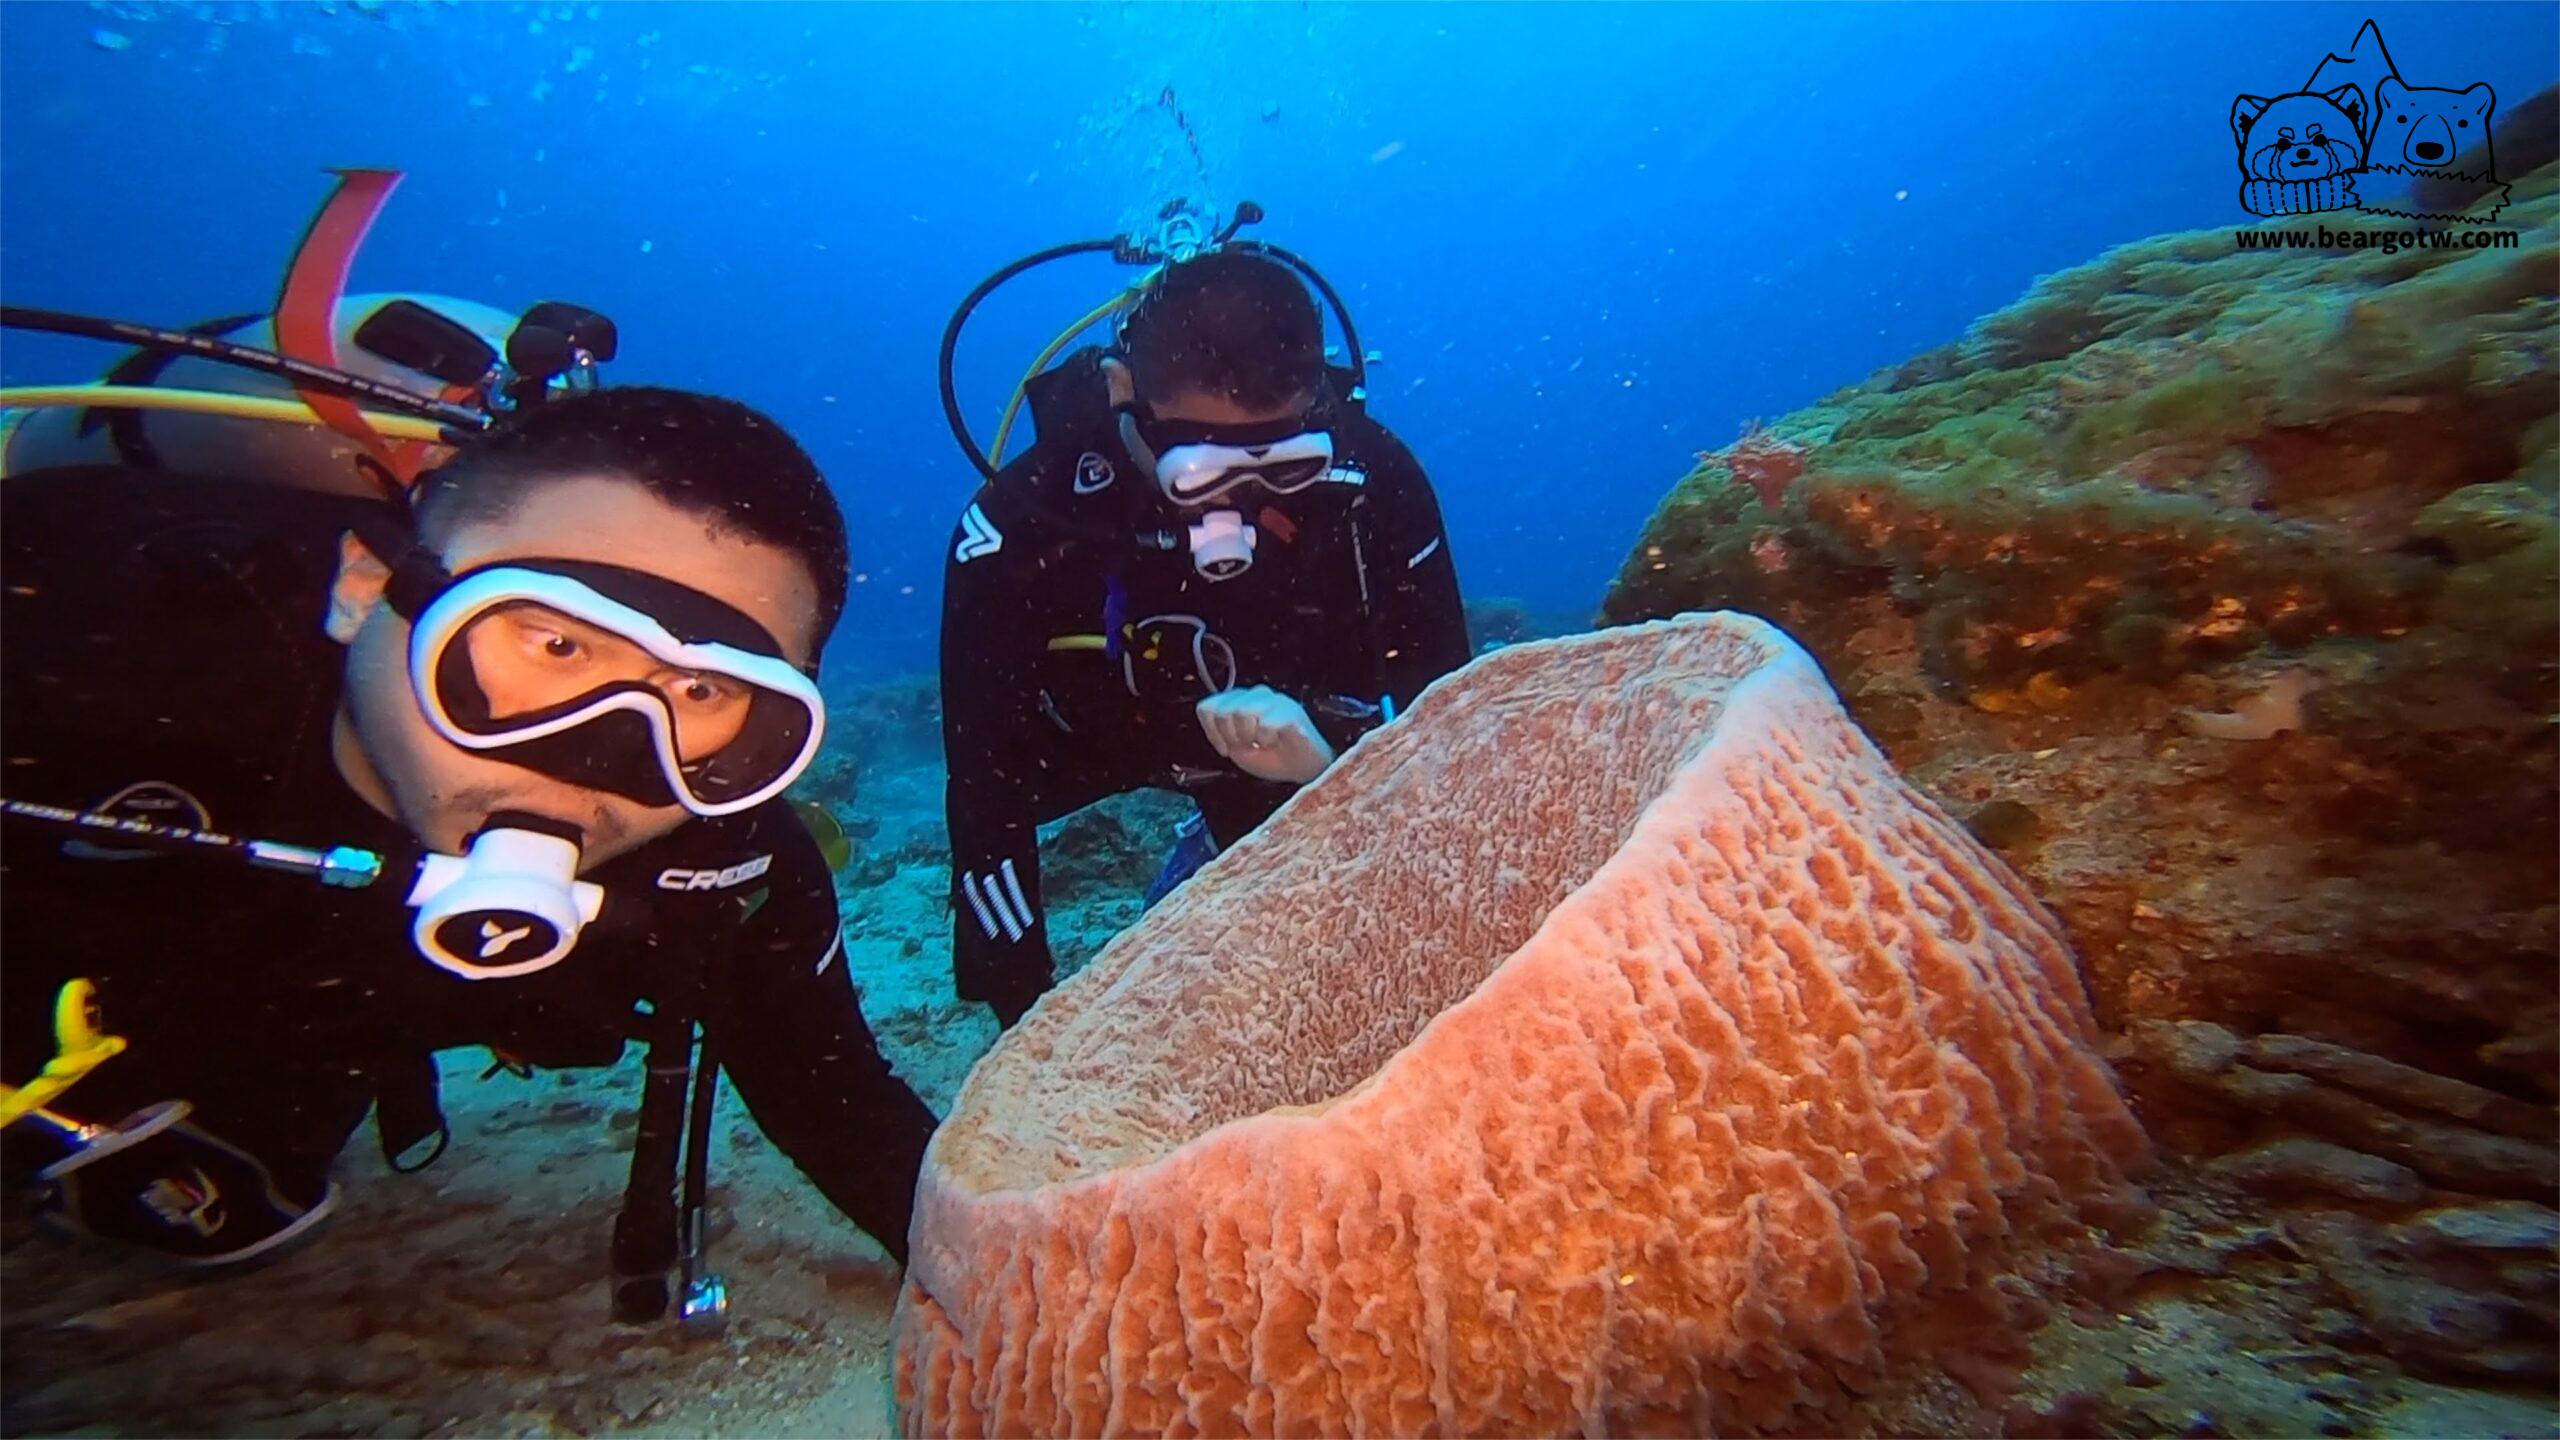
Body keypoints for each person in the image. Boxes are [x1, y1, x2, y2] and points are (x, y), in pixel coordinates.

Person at [0, 381, 935, 1300]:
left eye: (700, 695)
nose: (595, 758)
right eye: (555, 647)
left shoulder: (724, 864)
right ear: (366, 586)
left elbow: (843, 1108)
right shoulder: (77, 662)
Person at [939, 246, 1469, 1028]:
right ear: (1123, 393)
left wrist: (1331, 763)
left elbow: (1452, 721)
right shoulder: (1018, 523)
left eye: (1283, 464)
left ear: (1315, 391)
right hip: (1099, 735)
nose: (1244, 504)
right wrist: (1026, 1012)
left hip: (1286, 748)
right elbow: (983, 790)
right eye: (1201, 471)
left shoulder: (1376, 483)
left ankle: (1213, 861)